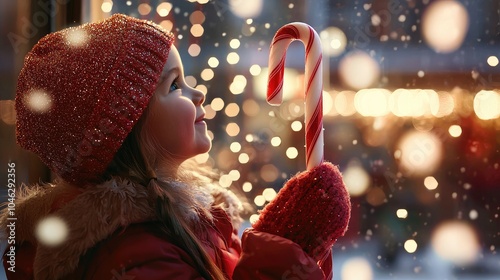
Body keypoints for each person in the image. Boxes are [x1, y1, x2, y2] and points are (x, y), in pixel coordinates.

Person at [0, 14, 350, 279]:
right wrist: (286, 253)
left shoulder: (187, 220)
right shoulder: (137, 254)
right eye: (175, 86)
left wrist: (289, 241)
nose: (197, 93)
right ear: (127, 125)